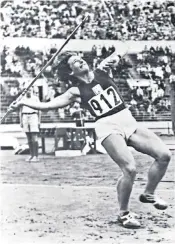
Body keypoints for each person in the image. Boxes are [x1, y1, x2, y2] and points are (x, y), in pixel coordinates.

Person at [10, 51, 171, 228]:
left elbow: (117, 55)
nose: (80, 61)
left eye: (80, 58)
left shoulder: (102, 71)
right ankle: (124, 213)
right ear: (71, 72)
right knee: (130, 169)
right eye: (75, 62)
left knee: (164, 155)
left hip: (126, 119)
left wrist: (116, 58)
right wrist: (24, 102)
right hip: (107, 126)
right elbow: (48, 105)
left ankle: (148, 193)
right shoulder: (75, 91)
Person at [19, 85, 41, 162]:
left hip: (33, 116)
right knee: (28, 138)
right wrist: (21, 121)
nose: (27, 91)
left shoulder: (35, 98)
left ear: (31, 90)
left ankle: (36, 156)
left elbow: (39, 110)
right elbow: (20, 111)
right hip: (25, 116)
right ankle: (31, 155)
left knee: (34, 138)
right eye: (26, 89)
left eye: (29, 89)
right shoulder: (22, 99)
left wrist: (39, 121)